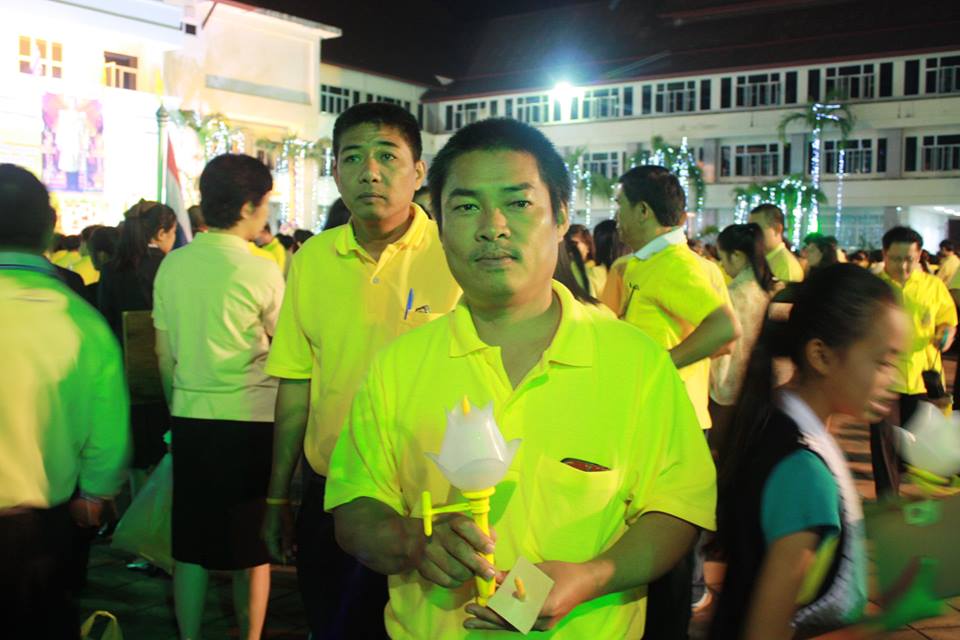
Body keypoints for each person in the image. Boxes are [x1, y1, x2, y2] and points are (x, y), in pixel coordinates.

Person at [325, 117, 716, 639]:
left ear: (560, 217)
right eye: (466, 207)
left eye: (518, 203)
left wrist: (591, 577)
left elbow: (677, 508)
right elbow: (354, 506)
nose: (493, 227)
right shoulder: (398, 365)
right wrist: (412, 542)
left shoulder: (635, 361)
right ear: (439, 226)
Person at [262, 102, 461, 639]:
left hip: (431, 500)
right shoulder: (312, 259)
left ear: (419, 171)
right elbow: (296, 384)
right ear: (335, 171)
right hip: (334, 492)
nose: (369, 172)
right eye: (352, 158)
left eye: (387, 156)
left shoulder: (454, 253)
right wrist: (278, 496)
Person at [710, 264, 907, 639]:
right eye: (883, 361)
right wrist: (887, 620)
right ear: (822, 356)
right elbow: (765, 632)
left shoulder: (775, 417)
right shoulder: (805, 474)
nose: (892, 378)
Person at [600, 165, 738, 637]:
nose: (616, 216)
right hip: (661, 417)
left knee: (668, 545)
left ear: (643, 210)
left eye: (620, 205)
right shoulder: (644, 265)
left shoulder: (675, 265)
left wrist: (661, 365)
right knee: (656, 539)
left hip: (672, 422)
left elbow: (725, 329)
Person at [153, 154, 285, 640]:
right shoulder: (262, 269)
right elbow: (286, 349)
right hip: (252, 420)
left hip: (191, 416)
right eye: (265, 203)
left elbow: (164, 355)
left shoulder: (174, 265)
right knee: (252, 548)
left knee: (191, 544)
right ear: (249, 206)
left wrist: (177, 410)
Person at [0, 164, 130, 638]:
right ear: (49, 228)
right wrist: (95, 493)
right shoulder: (79, 320)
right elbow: (108, 424)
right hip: (40, 530)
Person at [869, 226, 957, 498]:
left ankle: (925, 504)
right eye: (896, 259)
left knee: (924, 447)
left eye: (909, 259)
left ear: (919, 256)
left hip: (922, 378)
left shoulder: (933, 286)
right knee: (884, 443)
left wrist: (945, 333)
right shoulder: (873, 287)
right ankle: (888, 501)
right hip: (883, 378)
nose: (903, 266)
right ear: (885, 254)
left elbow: (948, 319)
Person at [710, 223, 778, 447]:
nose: (722, 265)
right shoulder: (766, 289)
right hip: (757, 385)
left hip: (728, 390)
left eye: (723, 258)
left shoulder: (732, 295)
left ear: (737, 256)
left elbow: (722, 347)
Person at [748, 204, 804, 283]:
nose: (752, 234)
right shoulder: (760, 258)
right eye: (750, 229)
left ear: (777, 229)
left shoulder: (786, 268)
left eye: (758, 229)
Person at [566, 223, 607, 296]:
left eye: (573, 244)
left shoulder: (597, 272)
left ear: (588, 245)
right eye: (566, 244)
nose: (568, 248)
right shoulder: (566, 270)